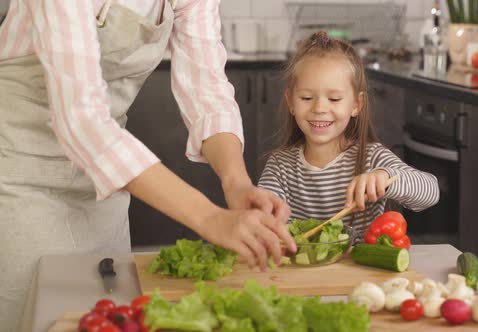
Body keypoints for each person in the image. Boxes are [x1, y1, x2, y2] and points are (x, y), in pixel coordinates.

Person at [0, 0, 296, 330]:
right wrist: (209, 217)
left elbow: (206, 90)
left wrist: (236, 182)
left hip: (109, 179)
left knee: (109, 313)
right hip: (18, 172)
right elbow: (82, 120)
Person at [258, 31, 440, 239]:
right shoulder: (281, 165)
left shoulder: (372, 157)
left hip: (360, 270)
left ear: (356, 104)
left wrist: (386, 177)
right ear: (291, 102)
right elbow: (264, 213)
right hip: (301, 270)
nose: (319, 108)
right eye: (307, 97)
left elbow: (430, 192)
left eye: (334, 99)